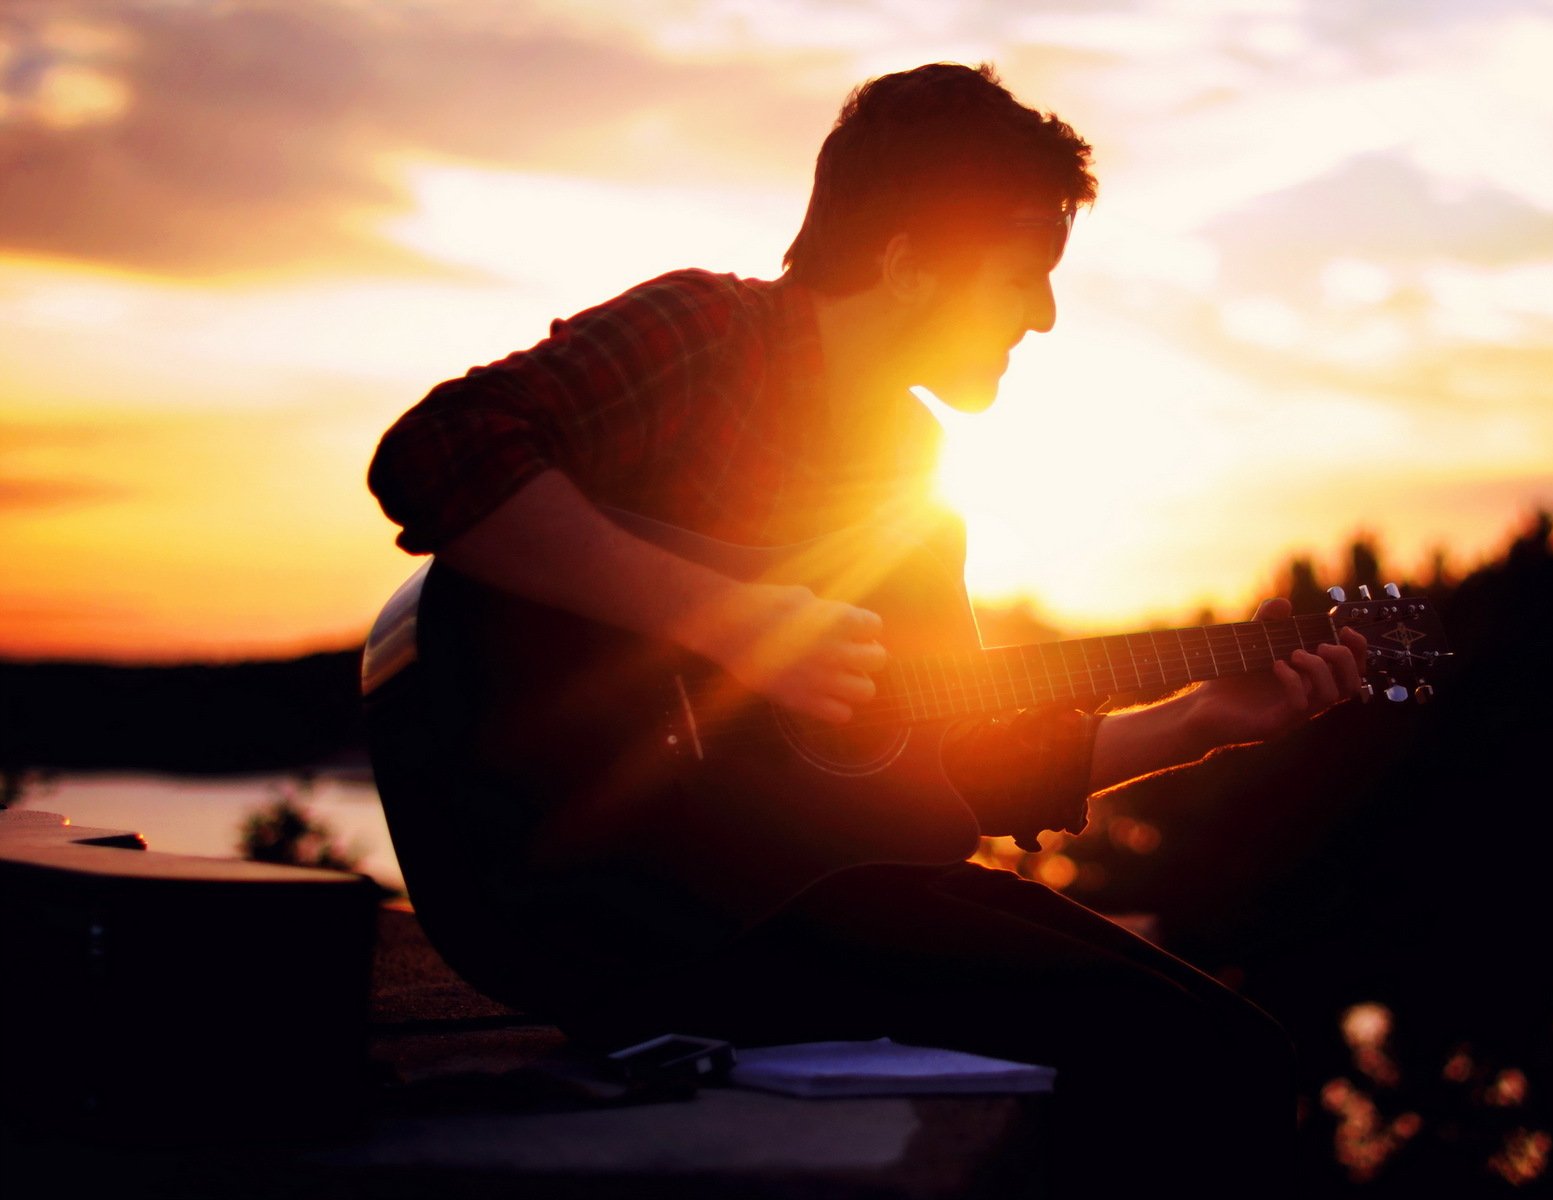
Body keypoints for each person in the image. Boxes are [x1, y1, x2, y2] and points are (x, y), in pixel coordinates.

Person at [368, 62, 1366, 1194]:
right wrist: (730, 621)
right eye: (1025, 275)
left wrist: (1195, 718)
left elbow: (949, 761)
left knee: (1249, 1052)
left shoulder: (908, 464)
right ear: (907, 263)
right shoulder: (712, 334)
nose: (1042, 314)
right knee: (1185, 1061)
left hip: (805, 899)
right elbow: (436, 451)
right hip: (638, 917)